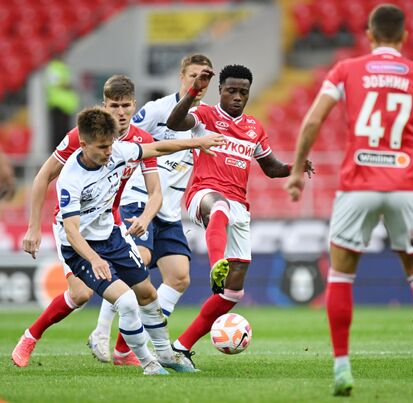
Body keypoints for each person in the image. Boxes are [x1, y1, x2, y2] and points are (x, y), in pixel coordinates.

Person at [285, 4, 413, 397]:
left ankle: (341, 368)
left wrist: (298, 171)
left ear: (369, 34)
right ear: (403, 37)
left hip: (358, 186)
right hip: (406, 187)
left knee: (340, 276)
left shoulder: (347, 70)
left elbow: (313, 120)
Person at [18, 107, 223, 374]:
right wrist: (94, 259)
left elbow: (158, 148)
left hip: (111, 236)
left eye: (110, 145)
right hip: (81, 248)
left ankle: (166, 355)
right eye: (102, 147)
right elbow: (71, 231)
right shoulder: (70, 178)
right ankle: (148, 364)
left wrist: (198, 142)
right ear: (84, 145)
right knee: (120, 300)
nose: (108, 152)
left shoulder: (117, 151)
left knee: (147, 293)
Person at [166, 64, 314, 367]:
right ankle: (216, 262)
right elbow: (175, 122)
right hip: (203, 194)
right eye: (231, 90)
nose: (237, 96)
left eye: (243, 92)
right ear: (220, 90)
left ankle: (179, 348)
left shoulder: (254, 128)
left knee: (233, 292)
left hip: (239, 207)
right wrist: (194, 90)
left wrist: (294, 168)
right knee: (218, 207)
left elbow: (270, 168)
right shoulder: (205, 115)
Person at [14, 76, 163, 367]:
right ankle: (30, 337)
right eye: (113, 106)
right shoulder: (81, 137)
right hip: (74, 224)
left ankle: (120, 347)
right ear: (103, 105)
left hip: (111, 220)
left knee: (141, 279)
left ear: (134, 106)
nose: (119, 112)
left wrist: (146, 216)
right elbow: (44, 176)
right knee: (80, 294)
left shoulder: (139, 140)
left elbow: (156, 190)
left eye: (125, 106)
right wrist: (33, 227)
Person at [87, 54, 214, 363]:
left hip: (168, 208)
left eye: (205, 77)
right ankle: (101, 330)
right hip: (137, 196)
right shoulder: (157, 110)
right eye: (193, 75)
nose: (198, 82)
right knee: (138, 261)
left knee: (180, 276)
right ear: (181, 77)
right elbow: (124, 140)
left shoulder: (206, 120)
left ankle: (125, 346)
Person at [45, 58, 79, 150]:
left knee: (65, 131)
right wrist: (68, 84)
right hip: (58, 104)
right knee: (58, 132)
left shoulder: (64, 67)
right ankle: (57, 154)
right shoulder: (53, 67)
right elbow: (54, 82)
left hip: (66, 106)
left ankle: (64, 151)